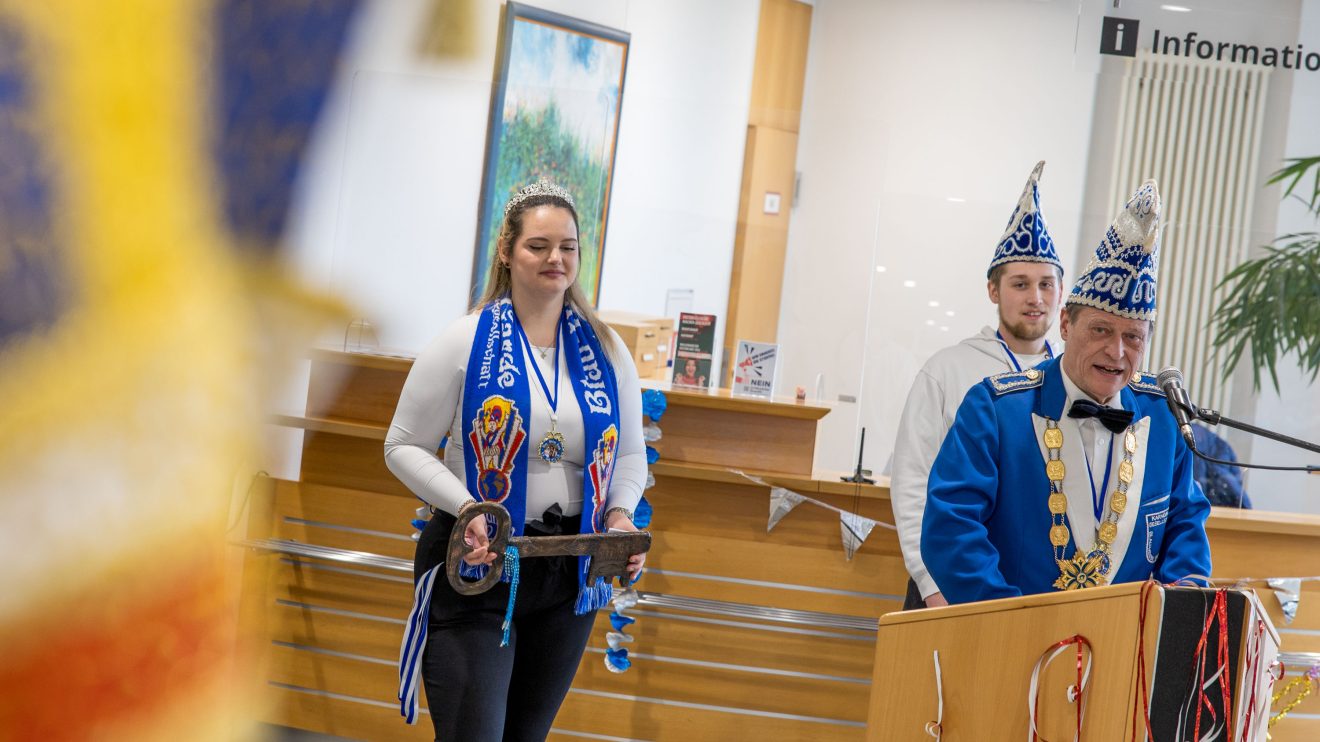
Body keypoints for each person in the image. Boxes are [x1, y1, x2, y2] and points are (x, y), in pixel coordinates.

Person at [385, 179, 648, 740]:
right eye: (538, 245)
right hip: (479, 562)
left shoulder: (607, 349)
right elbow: (402, 444)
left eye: (569, 247)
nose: (556, 259)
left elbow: (628, 453)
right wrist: (466, 506)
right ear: (507, 251)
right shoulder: (463, 341)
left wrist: (621, 515)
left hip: (566, 570)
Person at [921, 180, 1212, 605]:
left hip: (1129, 654)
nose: (1116, 352)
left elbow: (1186, 524)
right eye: (1100, 330)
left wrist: (1179, 609)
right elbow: (950, 528)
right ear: (1065, 325)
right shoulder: (995, 409)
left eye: (1133, 337)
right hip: (1010, 646)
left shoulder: (1166, 417)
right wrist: (1009, 617)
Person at [891, 161, 1064, 609]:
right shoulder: (947, 369)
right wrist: (931, 584)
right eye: (1020, 284)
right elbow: (912, 482)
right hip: (949, 581)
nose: (1036, 298)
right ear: (993, 291)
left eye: (1047, 284)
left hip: (1035, 586)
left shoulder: (1073, 381)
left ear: (1061, 294)